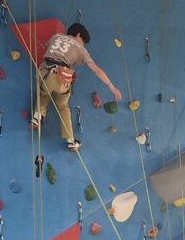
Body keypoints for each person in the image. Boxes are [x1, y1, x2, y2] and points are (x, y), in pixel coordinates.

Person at [30, 23, 122, 151]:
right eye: (83, 41)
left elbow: (47, 48)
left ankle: (37, 117)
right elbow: (96, 70)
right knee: (62, 106)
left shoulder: (55, 37)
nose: (82, 44)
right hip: (60, 78)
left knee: (43, 93)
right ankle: (70, 140)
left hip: (44, 72)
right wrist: (111, 87)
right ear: (78, 34)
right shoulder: (80, 48)